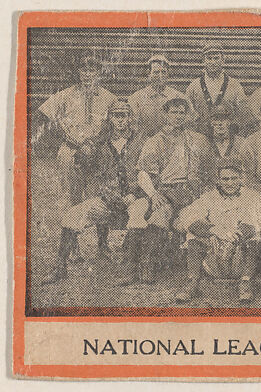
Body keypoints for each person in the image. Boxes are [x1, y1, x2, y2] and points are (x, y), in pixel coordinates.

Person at [42, 100, 143, 285]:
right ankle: (60, 268)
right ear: (110, 118)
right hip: (108, 199)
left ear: (130, 118)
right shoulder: (100, 142)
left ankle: (131, 272)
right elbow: (83, 165)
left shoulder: (141, 141)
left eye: (124, 115)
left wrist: (135, 193)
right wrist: (83, 153)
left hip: (134, 198)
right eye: (116, 115)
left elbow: (150, 172)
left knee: (138, 216)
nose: (120, 120)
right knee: (72, 216)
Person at [125, 98, 214, 284]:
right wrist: (154, 194)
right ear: (165, 114)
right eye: (174, 112)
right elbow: (142, 172)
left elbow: (207, 170)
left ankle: (205, 263)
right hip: (167, 190)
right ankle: (145, 263)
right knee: (160, 215)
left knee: (199, 219)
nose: (178, 116)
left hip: (191, 192)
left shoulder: (195, 139)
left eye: (182, 112)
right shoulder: (155, 141)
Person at [174, 157, 261, 303]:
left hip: (239, 256)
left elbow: (257, 220)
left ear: (241, 178)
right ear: (218, 180)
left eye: (234, 178)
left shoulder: (252, 197)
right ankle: (192, 282)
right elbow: (188, 217)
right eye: (225, 179)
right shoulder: (209, 197)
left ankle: (245, 282)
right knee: (192, 235)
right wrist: (214, 230)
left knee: (256, 237)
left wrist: (236, 235)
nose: (229, 183)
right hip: (214, 256)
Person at [36, 55, 117, 205]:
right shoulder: (66, 94)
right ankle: (72, 210)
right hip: (71, 146)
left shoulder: (108, 97)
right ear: (79, 72)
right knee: (68, 177)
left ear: (98, 73)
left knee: (98, 191)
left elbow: (112, 124)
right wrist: (63, 135)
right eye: (83, 70)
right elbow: (45, 115)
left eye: (91, 70)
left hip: (97, 147)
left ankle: (96, 211)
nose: (87, 74)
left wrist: (96, 142)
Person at [186, 43, 251, 136]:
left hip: (227, 137)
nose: (213, 62)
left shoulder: (235, 85)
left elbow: (243, 112)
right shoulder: (193, 86)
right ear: (203, 61)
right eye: (209, 58)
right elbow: (188, 113)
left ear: (223, 60)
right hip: (201, 137)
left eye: (216, 58)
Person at [128, 54, 195, 140]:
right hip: (146, 145)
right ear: (149, 74)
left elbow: (190, 124)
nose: (160, 76)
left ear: (168, 74)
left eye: (163, 72)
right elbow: (132, 128)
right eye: (156, 72)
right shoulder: (136, 98)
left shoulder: (180, 97)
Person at [204, 104, 246, 185]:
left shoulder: (241, 142)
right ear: (212, 123)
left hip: (234, 186)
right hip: (211, 189)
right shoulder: (205, 143)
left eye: (223, 119)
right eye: (216, 119)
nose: (220, 123)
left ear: (229, 122)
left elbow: (246, 170)